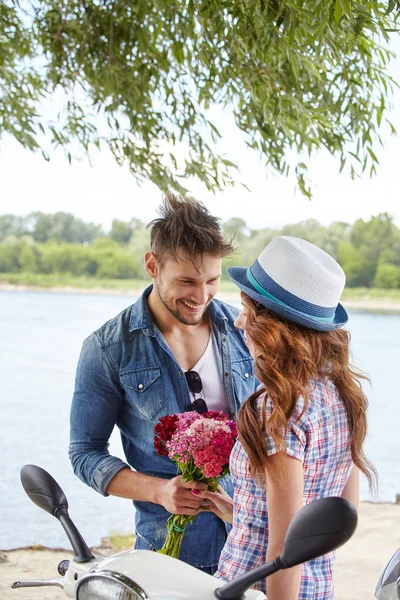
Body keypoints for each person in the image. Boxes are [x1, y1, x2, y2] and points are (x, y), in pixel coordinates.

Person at [69, 192, 258, 574]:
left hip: (251, 544)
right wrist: (161, 492)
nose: (200, 296)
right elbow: (84, 454)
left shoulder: (247, 331)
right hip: (167, 555)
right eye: (187, 281)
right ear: (152, 265)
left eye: (212, 280)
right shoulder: (107, 349)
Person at [195, 235, 376, 599]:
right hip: (317, 589)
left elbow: (283, 553)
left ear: (274, 327)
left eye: (247, 310)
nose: (239, 322)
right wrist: (244, 514)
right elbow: (340, 516)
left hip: (255, 590)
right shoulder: (343, 394)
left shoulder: (278, 411)